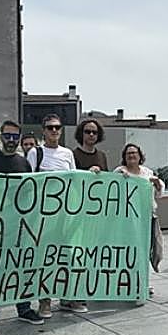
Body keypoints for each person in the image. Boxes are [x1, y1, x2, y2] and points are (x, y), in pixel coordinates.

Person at [0, 120, 45, 334]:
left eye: (15, 136)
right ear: (0, 137)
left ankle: (24, 308)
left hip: (20, 227)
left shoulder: (24, 163)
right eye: (7, 136)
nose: (11, 140)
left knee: (21, 268)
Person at [27, 114, 77, 316]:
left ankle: (67, 296)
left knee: (66, 256)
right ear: (44, 130)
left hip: (64, 214)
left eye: (57, 127)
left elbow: (75, 180)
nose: (54, 131)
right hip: (43, 215)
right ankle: (44, 300)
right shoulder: (34, 153)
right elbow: (28, 182)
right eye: (50, 128)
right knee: (44, 258)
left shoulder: (67, 153)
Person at [65, 118, 107, 312]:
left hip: (94, 214)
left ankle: (83, 292)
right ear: (81, 133)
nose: (91, 135)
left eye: (94, 132)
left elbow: (107, 182)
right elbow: (71, 180)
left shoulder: (102, 156)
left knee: (89, 255)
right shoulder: (72, 154)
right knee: (73, 256)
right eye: (88, 131)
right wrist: (86, 173)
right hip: (74, 213)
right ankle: (71, 295)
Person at [114, 143, 164, 295]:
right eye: (128, 153)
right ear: (124, 157)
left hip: (146, 218)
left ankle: (143, 281)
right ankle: (125, 282)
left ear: (140, 155)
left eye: (134, 153)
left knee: (144, 251)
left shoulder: (147, 172)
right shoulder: (119, 171)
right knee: (127, 252)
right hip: (127, 220)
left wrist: (157, 184)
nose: (131, 156)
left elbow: (158, 194)